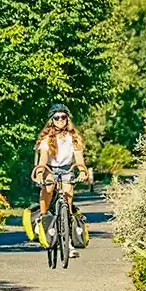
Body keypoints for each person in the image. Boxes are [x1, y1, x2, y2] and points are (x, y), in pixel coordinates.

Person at [32, 102, 92, 258]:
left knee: (67, 199)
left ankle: (69, 244)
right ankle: (42, 217)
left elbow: (78, 158)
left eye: (63, 117)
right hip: (50, 168)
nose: (60, 120)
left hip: (66, 168)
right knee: (49, 188)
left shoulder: (73, 138)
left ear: (67, 119)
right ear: (52, 120)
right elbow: (44, 158)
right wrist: (40, 171)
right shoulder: (46, 139)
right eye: (57, 117)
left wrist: (82, 170)